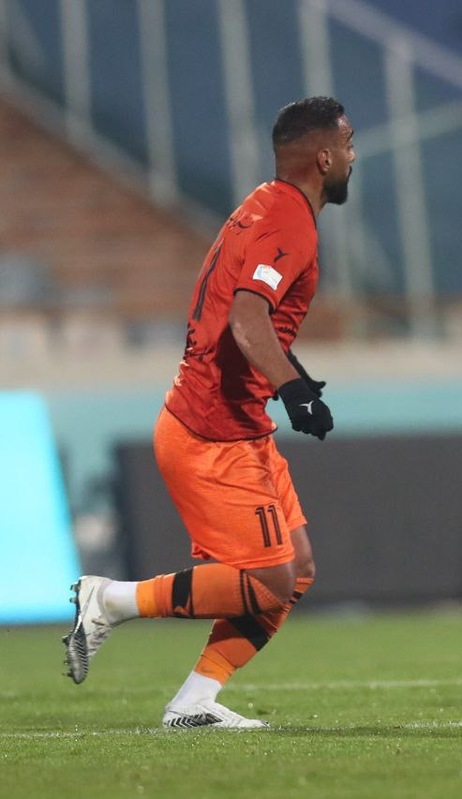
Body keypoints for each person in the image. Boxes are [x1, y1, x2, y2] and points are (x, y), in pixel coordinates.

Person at [62, 96, 355, 729]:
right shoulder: (290, 222)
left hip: (236, 423)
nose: (353, 157)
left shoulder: (266, 204)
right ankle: (110, 600)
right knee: (270, 580)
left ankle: (193, 701)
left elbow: (243, 319)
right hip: (211, 431)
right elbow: (247, 315)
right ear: (324, 157)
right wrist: (294, 390)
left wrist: (292, 378)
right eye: (348, 143)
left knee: (297, 568)